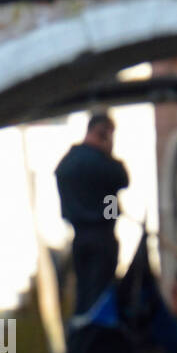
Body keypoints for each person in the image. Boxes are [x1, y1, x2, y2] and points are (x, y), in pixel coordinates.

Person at [54, 113, 130, 314]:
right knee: (100, 297)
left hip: (80, 237)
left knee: (85, 293)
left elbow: (111, 195)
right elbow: (121, 179)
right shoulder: (102, 164)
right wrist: (108, 154)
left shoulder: (67, 164)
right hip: (101, 236)